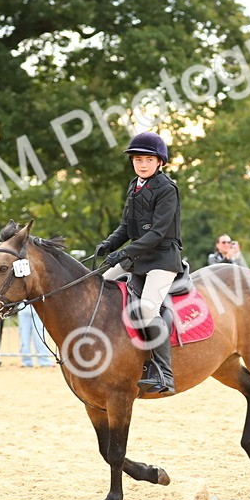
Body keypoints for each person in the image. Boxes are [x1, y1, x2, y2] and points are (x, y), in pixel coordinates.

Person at [95, 131, 184, 395]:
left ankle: (164, 373)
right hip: (139, 258)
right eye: (137, 160)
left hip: (162, 259)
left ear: (160, 162)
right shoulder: (135, 186)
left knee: (147, 309)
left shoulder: (167, 189)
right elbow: (126, 226)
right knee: (98, 287)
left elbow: (157, 233)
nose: (142, 164)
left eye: (148, 160)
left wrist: (123, 253)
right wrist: (109, 244)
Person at [18, 304, 53, 368]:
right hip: (23, 308)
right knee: (24, 337)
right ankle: (26, 361)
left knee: (40, 337)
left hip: (38, 307)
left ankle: (45, 361)